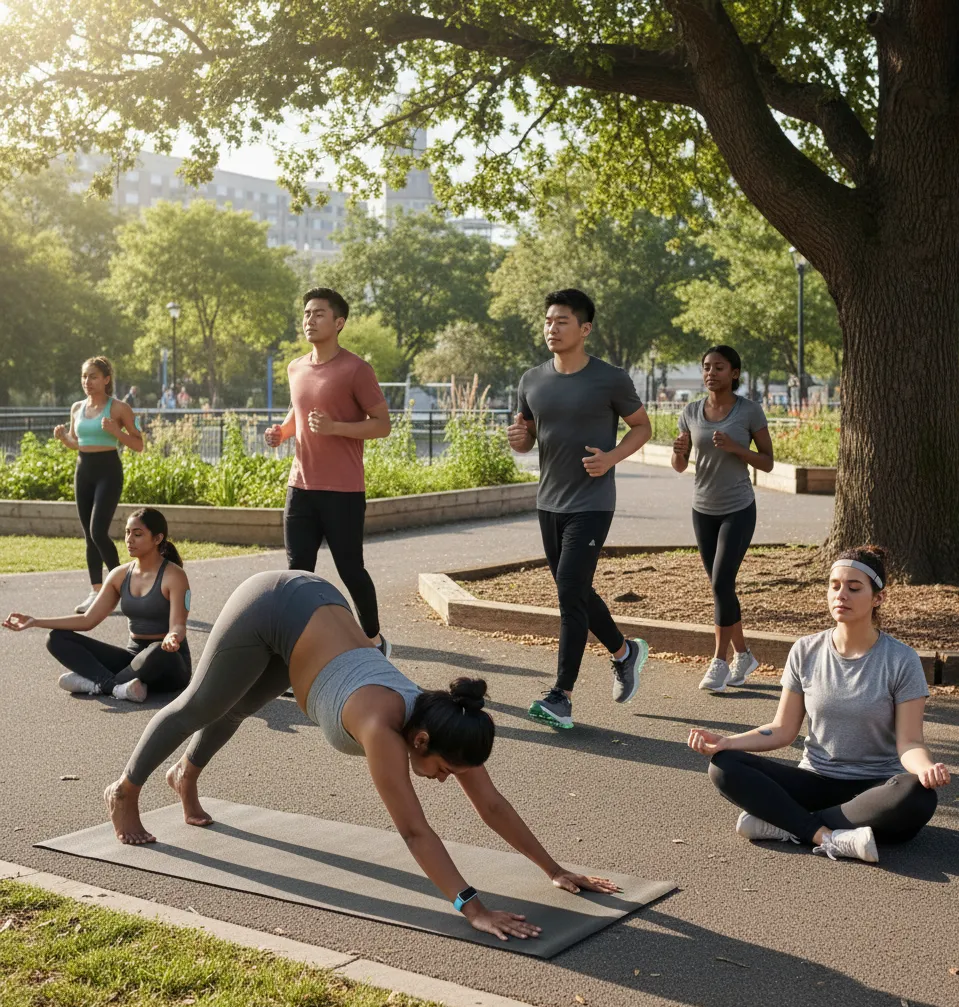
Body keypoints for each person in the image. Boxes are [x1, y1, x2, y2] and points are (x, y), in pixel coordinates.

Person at [100, 569, 620, 942]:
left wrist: (554, 869)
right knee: (200, 705)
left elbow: (492, 805)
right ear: (420, 743)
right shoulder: (381, 728)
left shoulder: (450, 724)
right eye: (442, 772)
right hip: (272, 603)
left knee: (236, 707)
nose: (444, 781)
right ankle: (124, 790)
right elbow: (416, 832)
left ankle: (185, 778)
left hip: (315, 614)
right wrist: (473, 908)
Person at [687, 547, 949, 864]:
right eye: (834, 585)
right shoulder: (806, 650)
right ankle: (826, 836)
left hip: (874, 789)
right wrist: (728, 742)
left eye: (854, 588)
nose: (842, 595)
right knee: (724, 766)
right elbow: (783, 730)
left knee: (917, 796)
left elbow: (910, 742)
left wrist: (925, 768)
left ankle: (785, 823)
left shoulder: (901, 660)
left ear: (878, 598)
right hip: (815, 779)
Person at [507, 289, 653, 730]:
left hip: (592, 502)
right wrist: (521, 441)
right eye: (548, 321)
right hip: (548, 501)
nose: (552, 328)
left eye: (562, 321)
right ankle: (625, 652)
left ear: (585, 329)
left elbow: (642, 427)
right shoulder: (531, 379)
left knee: (569, 589)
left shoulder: (610, 379)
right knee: (575, 591)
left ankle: (561, 697)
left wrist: (610, 458)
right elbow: (527, 434)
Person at [265, 288, 393, 657]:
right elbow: (298, 415)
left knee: (351, 570)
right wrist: (281, 432)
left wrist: (337, 427)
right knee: (297, 573)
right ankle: (297, 651)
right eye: (306, 313)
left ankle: (373, 640)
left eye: (318, 314)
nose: (309, 319)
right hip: (300, 487)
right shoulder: (296, 367)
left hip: (343, 490)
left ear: (338, 323)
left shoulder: (356, 369)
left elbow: (382, 425)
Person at [3, 508, 191, 703]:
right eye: (127, 532)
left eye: (137, 534)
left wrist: (173, 636)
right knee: (56, 637)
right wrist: (35, 622)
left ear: (157, 538)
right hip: (132, 659)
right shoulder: (119, 575)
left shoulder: (174, 576)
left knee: (156, 650)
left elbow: (179, 624)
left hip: (168, 663)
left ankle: (97, 683)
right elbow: (87, 620)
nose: (129, 539)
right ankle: (116, 687)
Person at [671, 346, 774, 692]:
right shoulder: (690, 412)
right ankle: (743, 654)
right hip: (703, 509)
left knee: (720, 583)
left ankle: (718, 661)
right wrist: (678, 451)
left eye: (718, 367)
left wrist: (735, 447)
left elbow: (768, 461)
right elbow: (680, 466)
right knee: (722, 587)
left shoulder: (749, 412)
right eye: (706, 367)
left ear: (734, 372)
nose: (710, 372)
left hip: (738, 507)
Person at [54, 357, 145, 613]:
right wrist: (64, 438)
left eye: (93, 376)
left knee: (97, 532)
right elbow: (77, 442)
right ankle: (95, 592)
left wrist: (116, 432)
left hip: (108, 471)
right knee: (88, 536)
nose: (87, 382)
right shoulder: (76, 408)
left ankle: (121, 588)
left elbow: (139, 445)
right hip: (83, 471)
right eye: (84, 377)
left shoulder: (119, 408)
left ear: (106, 379)